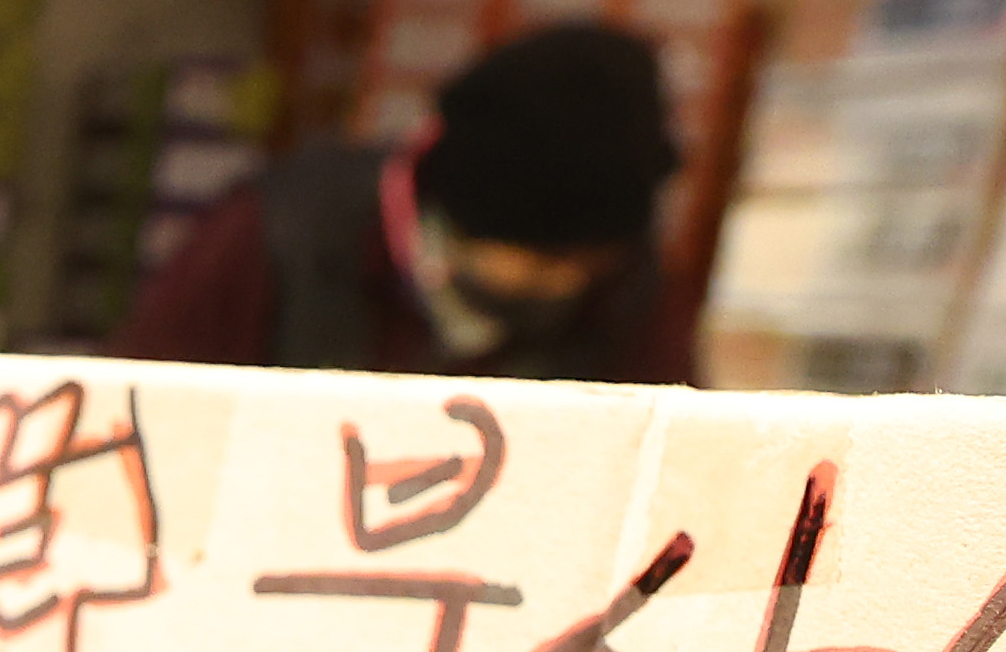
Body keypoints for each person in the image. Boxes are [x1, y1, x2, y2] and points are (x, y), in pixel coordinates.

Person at [115, 19, 696, 383]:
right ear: (465, 213)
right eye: (543, 261)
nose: (567, 285)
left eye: (588, 264)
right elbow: (140, 417)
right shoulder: (281, 234)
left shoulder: (630, 292)